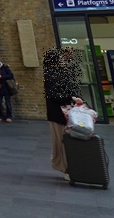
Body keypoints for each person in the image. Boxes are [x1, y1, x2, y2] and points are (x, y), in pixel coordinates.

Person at [43, 48, 83, 179]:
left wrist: (74, 97)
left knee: (66, 140)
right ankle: (67, 168)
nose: (63, 61)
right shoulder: (50, 74)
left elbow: (68, 90)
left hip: (66, 112)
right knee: (63, 141)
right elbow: (54, 95)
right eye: (60, 59)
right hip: (58, 113)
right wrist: (71, 98)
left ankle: (69, 167)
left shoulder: (61, 73)